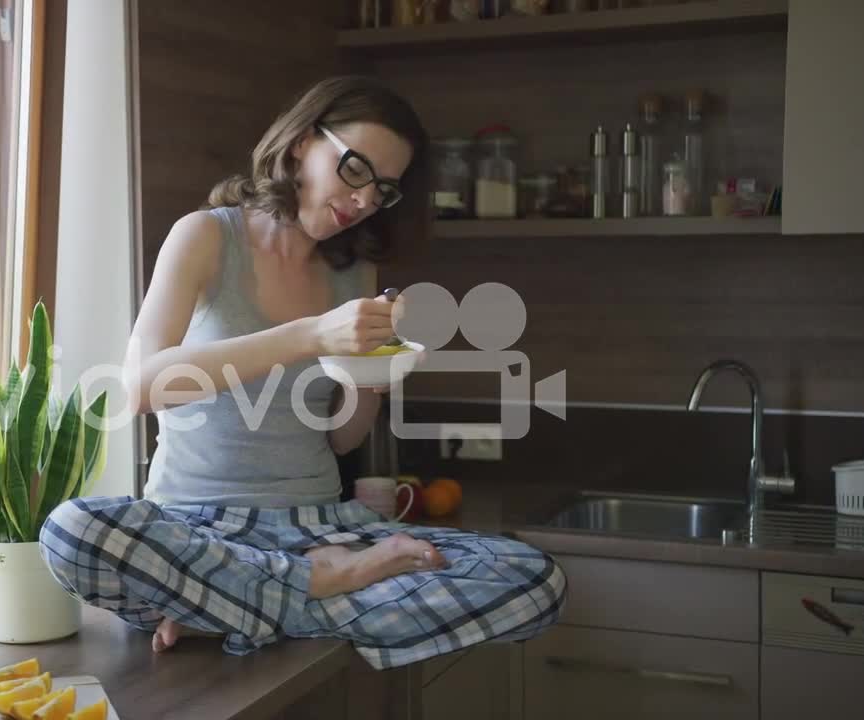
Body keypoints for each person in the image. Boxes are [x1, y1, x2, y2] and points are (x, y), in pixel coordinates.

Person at [41, 76, 565, 670]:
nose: (366, 199)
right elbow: (142, 386)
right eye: (356, 170)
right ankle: (301, 588)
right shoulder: (208, 236)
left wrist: (376, 369)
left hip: (319, 522)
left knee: (529, 578)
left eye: (384, 189)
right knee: (72, 530)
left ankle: (227, 608)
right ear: (300, 146)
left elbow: (341, 438)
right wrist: (310, 335)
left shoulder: (353, 273)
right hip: (193, 530)